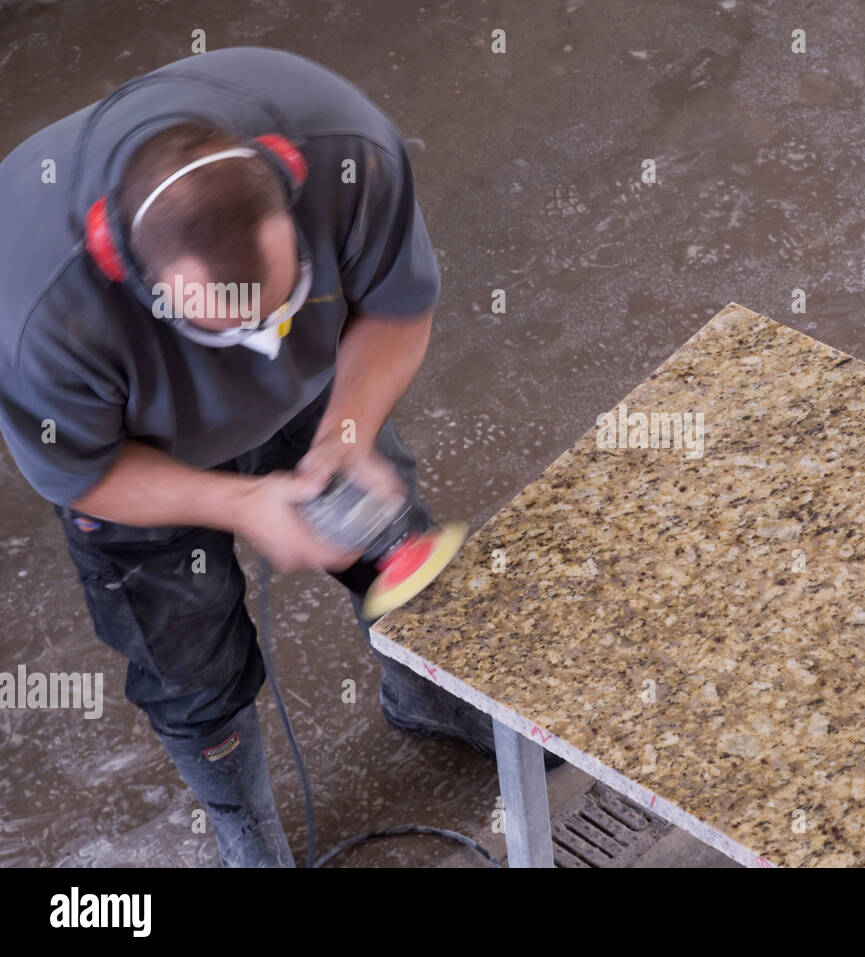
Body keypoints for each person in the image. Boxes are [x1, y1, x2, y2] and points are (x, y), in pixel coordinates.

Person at [0, 47, 543, 868]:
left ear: (285, 179)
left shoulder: (346, 151)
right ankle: (245, 829)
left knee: (386, 538)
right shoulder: (35, 306)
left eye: (284, 301)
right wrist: (241, 504)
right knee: (187, 660)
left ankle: (424, 691)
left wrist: (347, 433)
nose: (265, 346)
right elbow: (84, 471)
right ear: (123, 267)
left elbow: (397, 306)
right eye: (229, 329)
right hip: (144, 455)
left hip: (323, 392)